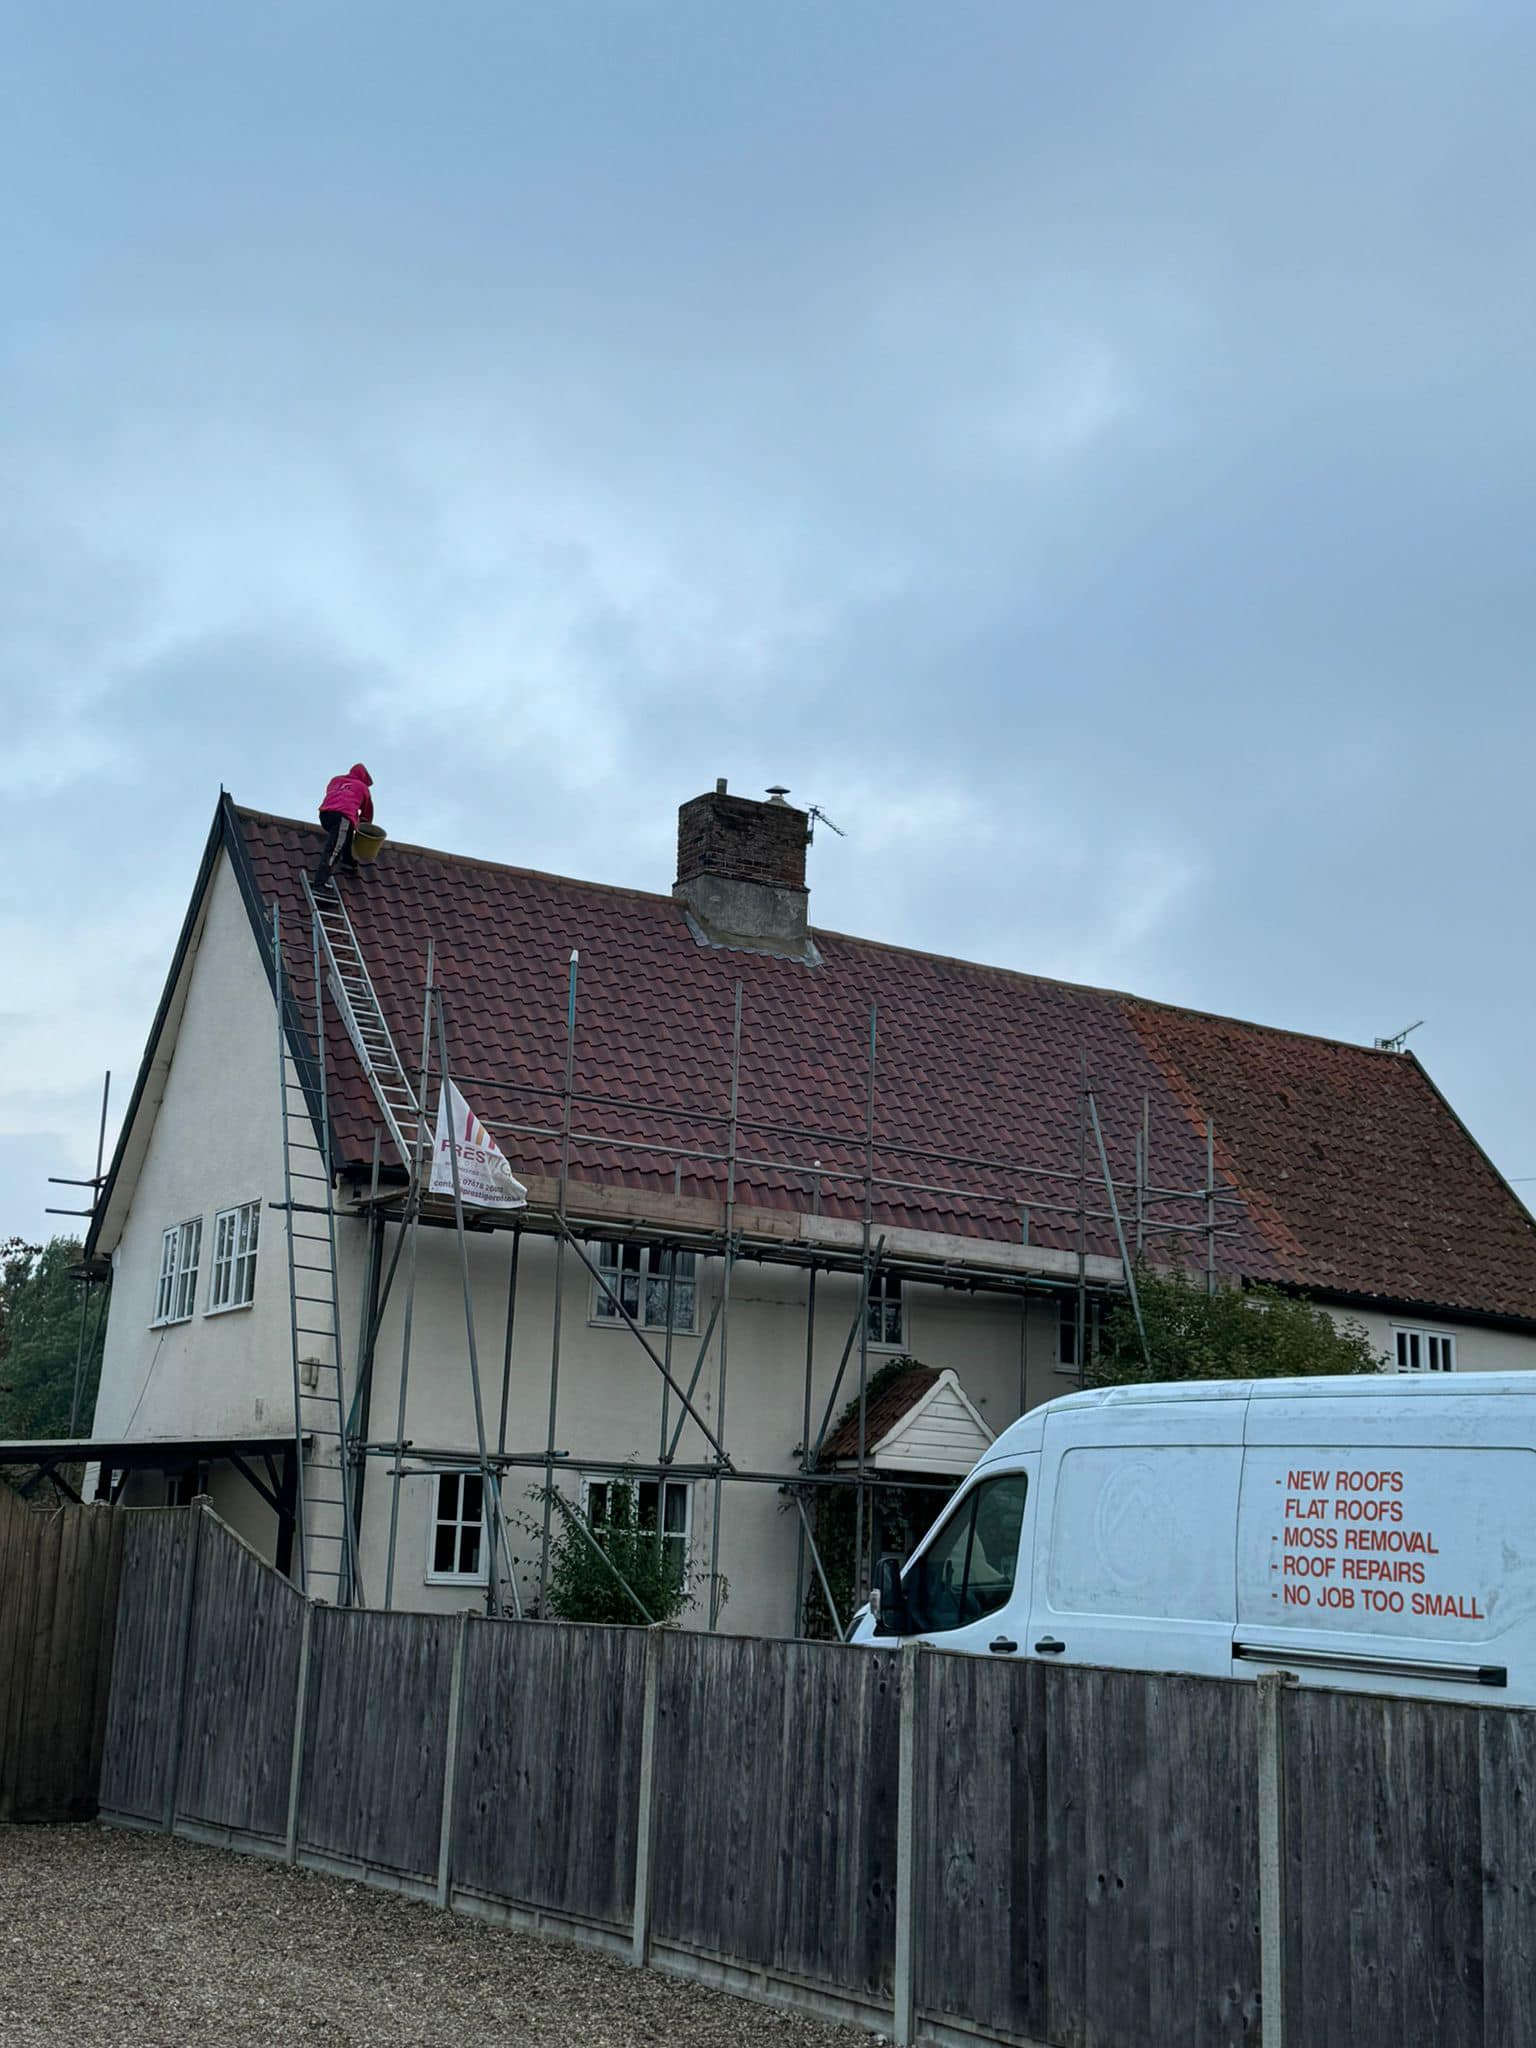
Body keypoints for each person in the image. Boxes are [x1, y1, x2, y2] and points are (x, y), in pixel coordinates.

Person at [314, 764, 374, 888]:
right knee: (333, 851)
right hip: (342, 816)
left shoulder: (335, 780)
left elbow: (334, 795)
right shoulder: (363, 788)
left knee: (346, 832)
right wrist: (363, 827)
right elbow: (367, 814)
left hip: (324, 814)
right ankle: (320, 883)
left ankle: (348, 861)